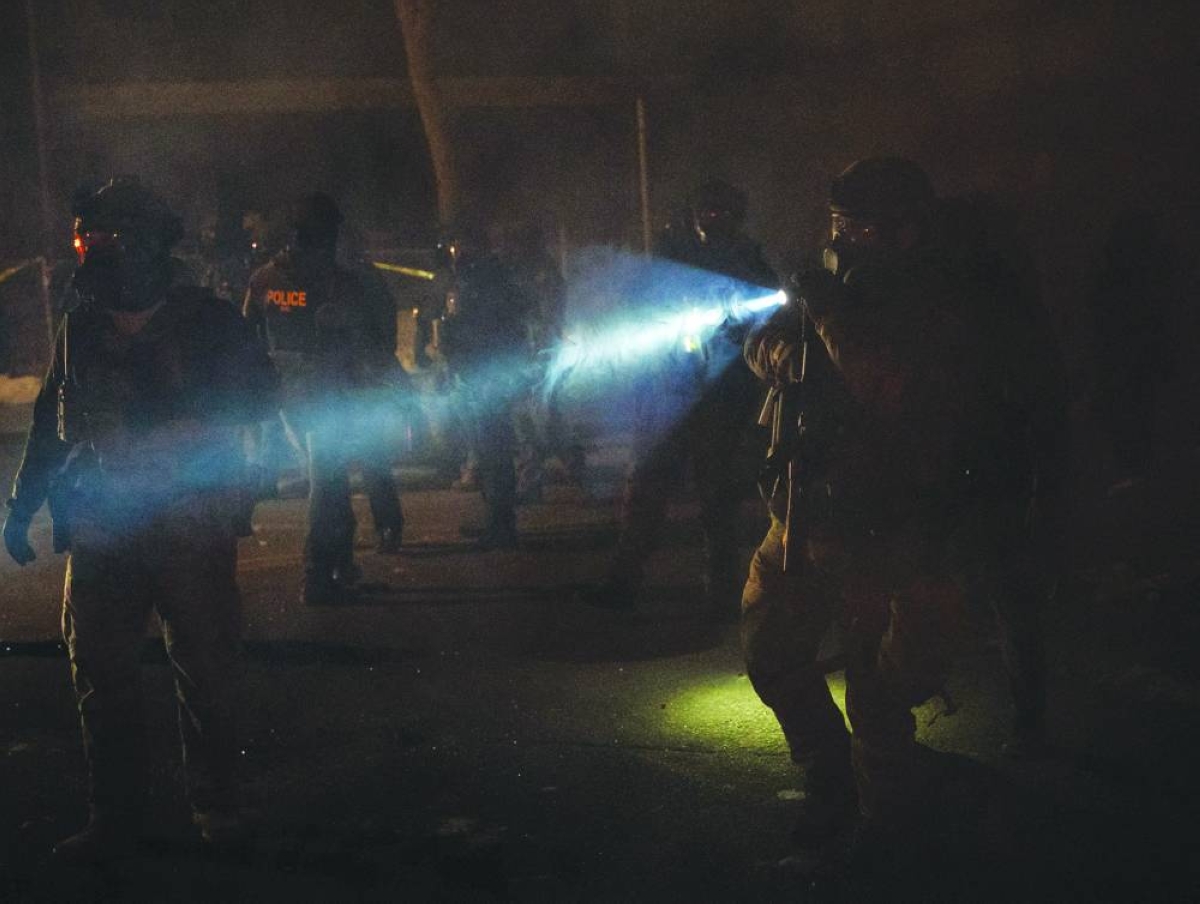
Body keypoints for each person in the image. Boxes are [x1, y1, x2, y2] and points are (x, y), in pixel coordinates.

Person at [2, 177, 279, 859]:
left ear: (150, 245)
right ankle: (116, 817)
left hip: (189, 524)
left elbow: (260, 396)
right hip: (105, 528)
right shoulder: (82, 326)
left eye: (109, 240)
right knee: (100, 676)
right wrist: (22, 506)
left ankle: (221, 810)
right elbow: (51, 424)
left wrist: (179, 426)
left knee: (209, 674)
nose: (95, 254)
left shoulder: (210, 323)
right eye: (89, 240)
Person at [742, 158, 995, 866]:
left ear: (904, 229)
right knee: (768, 652)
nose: (841, 238)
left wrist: (826, 314)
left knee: (880, 694)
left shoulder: (943, 294)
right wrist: (783, 346)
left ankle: (885, 832)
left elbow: (888, 381)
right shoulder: (837, 282)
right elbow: (760, 343)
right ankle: (830, 779)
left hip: (889, 522)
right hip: (803, 510)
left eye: (856, 226)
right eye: (836, 224)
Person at [583, 179, 778, 620]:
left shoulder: (750, 262)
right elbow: (635, 306)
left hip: (721, 397)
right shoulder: (669, 256)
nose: (712, 220)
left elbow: (769, 322)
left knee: (717, 499)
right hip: (668, 392)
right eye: (705, 211)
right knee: (647, 488)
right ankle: (624, 581)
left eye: (721, 212)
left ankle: (722, 594)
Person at [243, 193, 404, 604]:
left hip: (287, 397)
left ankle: (341, 565)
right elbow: (365, 339)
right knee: (327, 483)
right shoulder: (335, 281)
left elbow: (249, 337)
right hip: (326, 396)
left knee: (330, 482)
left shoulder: (264, 279)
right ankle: (317, 576)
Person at [435, 222, 529, 549]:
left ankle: (501, 525)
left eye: (458, 244)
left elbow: (476, 326)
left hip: (485, 373)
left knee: (494, 449)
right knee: (489, 448)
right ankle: (497, 519)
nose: (454, 252)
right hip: (481, 372)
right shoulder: (480, 276)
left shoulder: (483, 279)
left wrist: (457, 349)